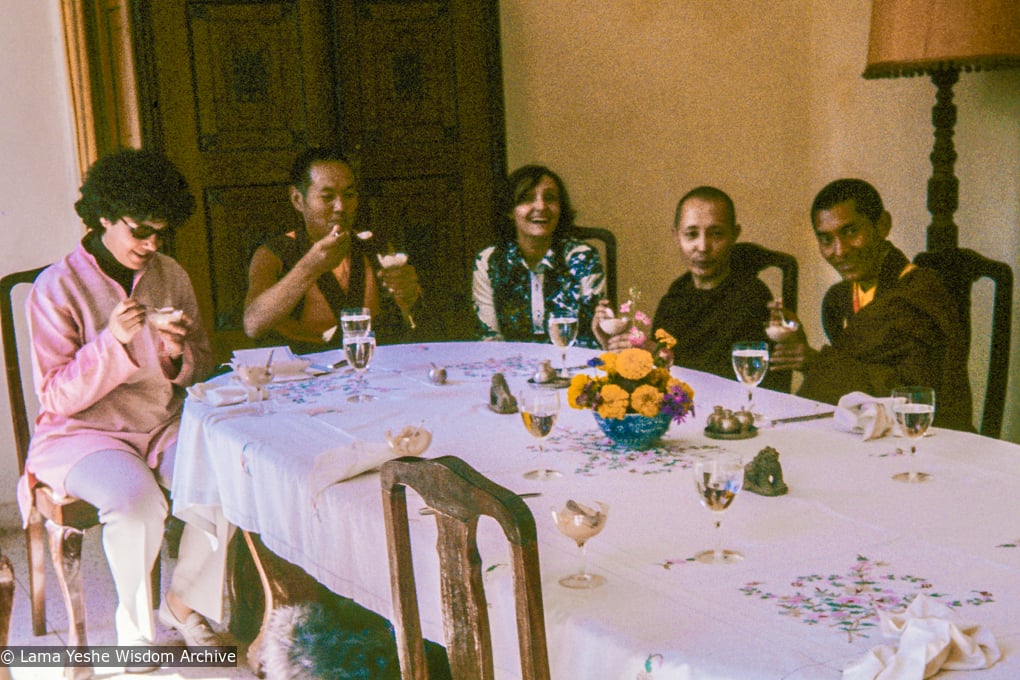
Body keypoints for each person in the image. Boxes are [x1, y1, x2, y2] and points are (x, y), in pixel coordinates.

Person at [18, 148, 229, 658]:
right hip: (82, 436)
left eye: (161, 233)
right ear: (104, 215)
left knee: (228, 482)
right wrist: (111, 345)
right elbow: (57, 396)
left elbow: (201, 361)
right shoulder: (55, 288)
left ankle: (180, 602)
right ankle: (133, 630)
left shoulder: (170, 273)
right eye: (140, 231)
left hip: (159, 423)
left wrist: (179, 355)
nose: (151, 245)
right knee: (137, 507)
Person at [770, 178, 973, 431]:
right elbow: (858, 375)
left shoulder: (919, 294)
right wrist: (802, 350)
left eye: (851, 231)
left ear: (883, 225)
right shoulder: (842, 297)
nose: (840, 250)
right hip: (867, 432)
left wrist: (815, 363)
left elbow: (910, 396)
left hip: (926, 437)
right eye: (826, 240)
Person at [593, 185, 783, 388]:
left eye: (716, 234)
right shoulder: (677, 294)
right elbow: (661, 375)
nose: (703, 247)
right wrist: (614, 345)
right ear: (676, 236)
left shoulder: (751, 297)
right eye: (691, 234)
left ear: (734, 235)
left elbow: (727, 378)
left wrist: (655, 352)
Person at [243, 147, 428, 353]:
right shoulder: (274, 253)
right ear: (297, 199)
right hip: (303, 374)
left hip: (370, 368)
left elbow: (408, 323)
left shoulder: (374, 247)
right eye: (328, 197)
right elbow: (253, 325)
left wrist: (409, 298)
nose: (341, 206)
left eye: (349, 195)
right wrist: (309, 267)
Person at [472, 164, 605, 348]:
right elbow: (490, 339)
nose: (541, 206)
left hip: (573, 368)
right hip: (510, 369)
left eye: (550, 198)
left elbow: (593, 337)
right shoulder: (489, 261)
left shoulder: (582, 258)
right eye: (527, 199)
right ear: (510, 210)